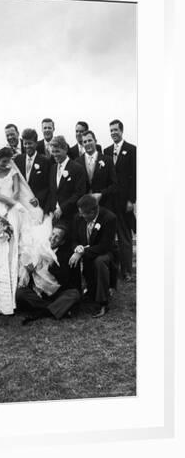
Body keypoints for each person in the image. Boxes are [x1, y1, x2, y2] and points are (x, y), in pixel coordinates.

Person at [0, 147, 56, 315]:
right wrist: (5, 209)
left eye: (8, 161)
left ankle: (18, 292)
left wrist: (14, 205)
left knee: (16, 246)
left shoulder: (12, 171)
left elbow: (17, 191)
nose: (6, 164)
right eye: (3, 162)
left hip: (16, 208)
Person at [17, 223, 82, 323]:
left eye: (57, 237)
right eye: (52, 234)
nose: (52, 238)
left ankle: (43, 310)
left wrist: (51, 264)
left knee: (74, 294)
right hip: (39, 292)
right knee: (20, 293)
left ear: (62, 242)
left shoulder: (66, 254)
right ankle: (54, 309)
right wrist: (30, 270)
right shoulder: (38, 249)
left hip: (57, 292)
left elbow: (65, 280)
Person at [69, 195, 117, 318]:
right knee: (71, 258)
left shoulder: (109, 218)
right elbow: (74, 239)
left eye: (84, 214)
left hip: (106, 253)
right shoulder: (78, 218)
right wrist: (77, 248)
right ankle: (78, 294)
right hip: (86, 251)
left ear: (93, 211)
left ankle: (103, 302)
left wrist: (82, 252)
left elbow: (104, 246)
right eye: (80, 213)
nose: (81, 216)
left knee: (99, 261)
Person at [103, 119, 136, 282]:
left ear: (121, 131)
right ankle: (112, 270)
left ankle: (127, 271)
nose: (113, 133)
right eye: (111, 130)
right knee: (109, 237)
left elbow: (135, 176)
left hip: (124, 201)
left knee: (125, 237)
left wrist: (132, 200)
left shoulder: (131, 150)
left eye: (116, 130)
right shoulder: (106, 151)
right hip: (110, 202)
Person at [45, 135, 85, 225]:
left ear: (65, 150)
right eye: (53, 152)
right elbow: (51, 192)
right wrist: (48, 211)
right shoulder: (53, 168)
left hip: (71, 216)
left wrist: (62, 208)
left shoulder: (77, 168)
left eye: (57, 151)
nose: (55, 155)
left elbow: (79, 193)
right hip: (54, 216)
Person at [75, 130, 117, 211]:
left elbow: (114, 185)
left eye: (90, 140)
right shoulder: (77, 162)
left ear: (95, 141)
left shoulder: (107, 160)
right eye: (85, 141)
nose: (87, 143)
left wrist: (101, 194)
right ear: (82, 144)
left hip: (104, 205)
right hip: (84, 207)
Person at [14, 128, 51, 211]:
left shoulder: (45, 161)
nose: (27, 146)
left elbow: (48, 185)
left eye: (30, 143)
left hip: (38, 205)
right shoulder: (18, 160)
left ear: (36, 143)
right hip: (22, 204)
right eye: (25, 143)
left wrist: (38, 199)